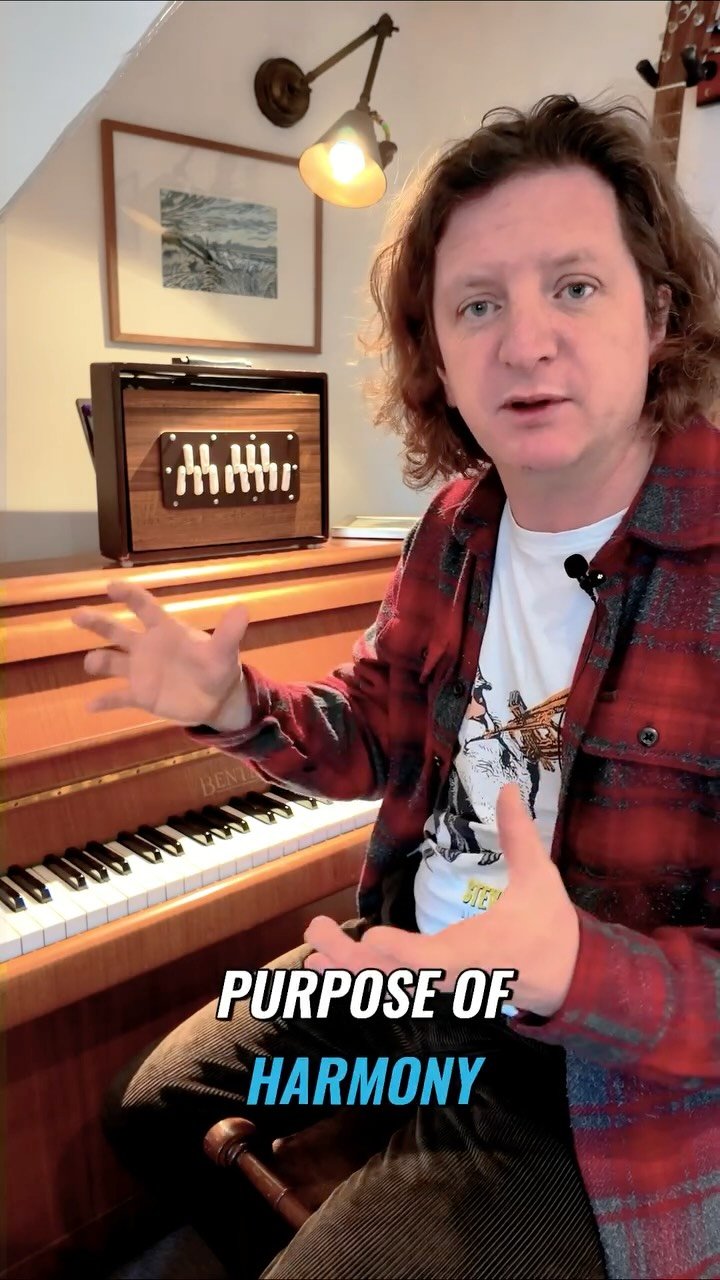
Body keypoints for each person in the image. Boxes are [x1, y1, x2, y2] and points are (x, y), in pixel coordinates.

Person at [72, 94, 720, 1280]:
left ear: (659, 312)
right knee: (152, 1105)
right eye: (478, 303)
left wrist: (571, 965)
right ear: (438, 348)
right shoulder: (457, 523)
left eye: (575, 286)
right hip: (409, 988)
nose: (525, 341)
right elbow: (373, 728)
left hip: (588, 1083)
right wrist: (233, 705)